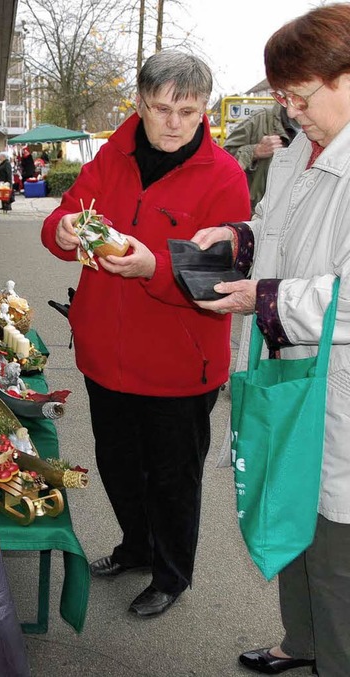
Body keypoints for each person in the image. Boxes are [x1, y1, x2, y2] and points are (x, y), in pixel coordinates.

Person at [41, 50, 249, 618]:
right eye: (161, 108)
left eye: (188, 110)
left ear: (204, 108)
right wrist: (61, 229)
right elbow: (61, 222)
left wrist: (153, 268)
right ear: (139, 103)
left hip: (179, 368)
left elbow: (219, 285)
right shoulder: (111, 156)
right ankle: (136, 546)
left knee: (173, 481)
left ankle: (171, 574)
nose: (174, 122)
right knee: (118, 465)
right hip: (105, 357)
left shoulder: (224, 177)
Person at [191, 5, 350, 675]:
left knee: (337, 545)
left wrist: (262, 297)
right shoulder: (298, 151)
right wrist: (239, 238)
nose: (290, 110)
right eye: (281, 95)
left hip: (338, 381)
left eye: (300, 95)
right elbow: (272, 224)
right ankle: (302, 642)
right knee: (289, 504)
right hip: (290, 362)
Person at [224, 102, 300, 209]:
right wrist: (254, 151)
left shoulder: (325, 127)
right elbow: (223, 162)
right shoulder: (259, 120)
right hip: (259, 216)